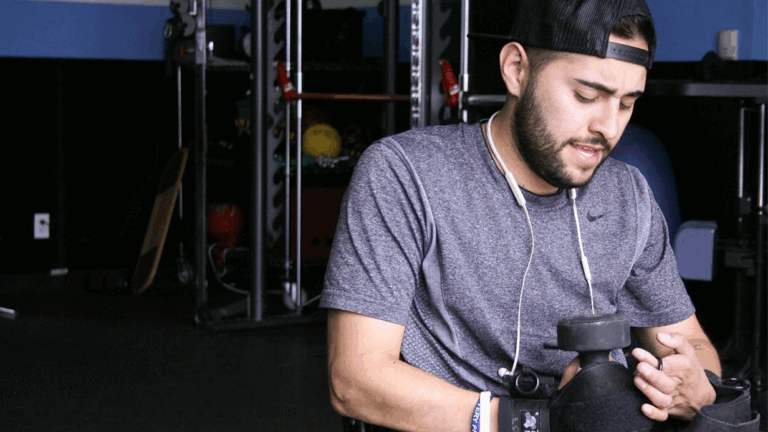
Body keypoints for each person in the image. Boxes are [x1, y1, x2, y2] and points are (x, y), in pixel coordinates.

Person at [319, 1, 723, 431]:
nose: (608, 126)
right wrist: (537, 420)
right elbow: (355, 380)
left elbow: (694, 346)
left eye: (626, 103)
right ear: (516, 70)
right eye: (587, 96)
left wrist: (693, 385)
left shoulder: (628, 196)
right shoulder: (404, 174)